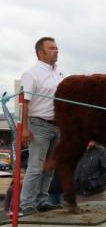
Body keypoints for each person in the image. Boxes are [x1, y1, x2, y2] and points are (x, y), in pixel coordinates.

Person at [19, 37, 64, 215]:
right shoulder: (32, 74)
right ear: (40, 52)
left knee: (49, 166)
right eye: (52, 48)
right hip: (38, 123)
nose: (56, 51)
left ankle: (42, 200)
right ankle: (27, 204)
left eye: (56, 48)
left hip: (56, 124)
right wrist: (24, 128)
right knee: (36, 166)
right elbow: (24, 102)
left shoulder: (60, 73)